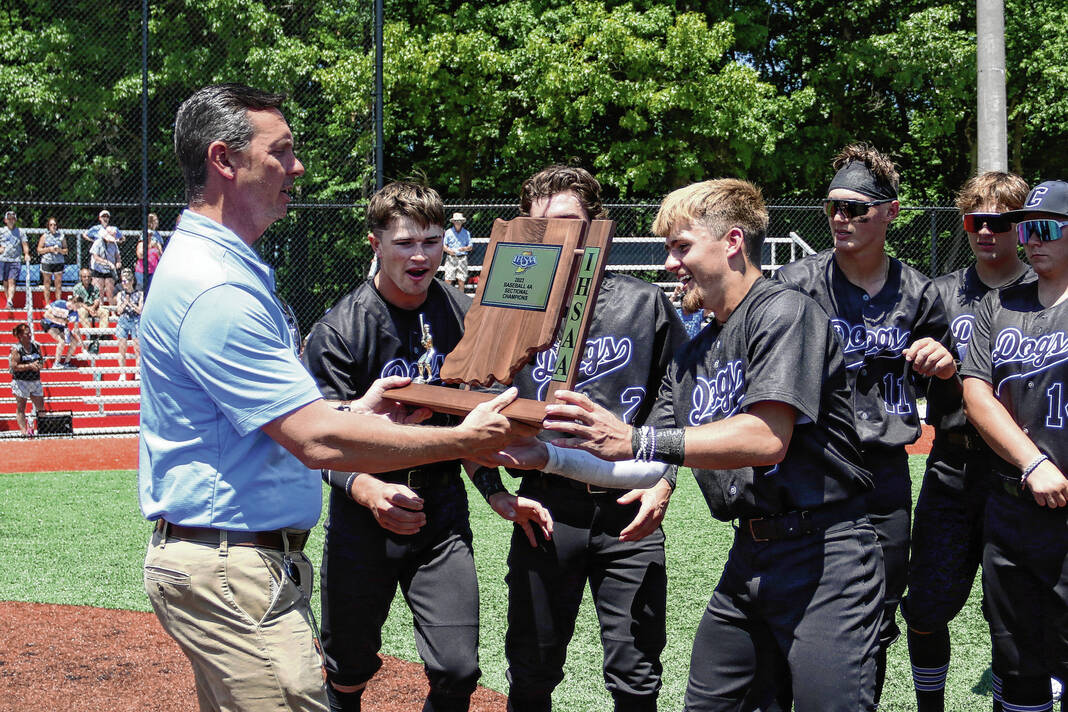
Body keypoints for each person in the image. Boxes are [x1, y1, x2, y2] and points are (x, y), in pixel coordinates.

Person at [139, 83, 529, 712]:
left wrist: (353, 411)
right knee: (332, 679)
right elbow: (315, 440)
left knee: (451, 668)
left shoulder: (221, 271)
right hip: (233, 564)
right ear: (224, 160)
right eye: (281, 151)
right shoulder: (219, 288)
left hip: (238, 557)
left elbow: (289, 421)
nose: (297, 167)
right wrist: (462, 440)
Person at [533, 178, 885, 711]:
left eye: (682, 247)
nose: (670, 263)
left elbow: (766, 438)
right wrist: (547, 455)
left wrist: (635, 437)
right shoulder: (693, 351)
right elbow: (645, 460)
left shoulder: (783, 313)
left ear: (733, 241)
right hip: (750, 556)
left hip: (826, 556)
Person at [302, 181, 552, 712]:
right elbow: (320, 441)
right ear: (375, 243)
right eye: (405, 242)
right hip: (364, 515)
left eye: (432, 241)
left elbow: (469, 424)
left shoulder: (466, 317)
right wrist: (368, 490)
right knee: (347, 667)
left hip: (440, 512)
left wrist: (495, 492)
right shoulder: (340, 330)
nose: (420, 256)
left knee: (458, 670)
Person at [478, 165, 689, 712]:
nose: (560, 236)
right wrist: (492, 488)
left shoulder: (643, 303)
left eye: (571, 221)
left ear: (597, 225)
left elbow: (676, 396)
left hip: (629, 507)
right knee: (532, 669)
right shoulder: (511, 308)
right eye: (544, 224)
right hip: (547, 506)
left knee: (636, 675)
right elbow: (475, 402)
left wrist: (664, 479)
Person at [773, 143, 957, 703]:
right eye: (833, 207)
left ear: (890, 212)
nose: (841, 218)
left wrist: (943, 363)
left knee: (877, 615)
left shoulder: (921, 292)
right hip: (810, 468)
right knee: (796, 603)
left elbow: (948, 384)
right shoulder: (796, 282)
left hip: (883, 477)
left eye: (855, 208)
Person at [901, 172, 1032, 711]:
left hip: (1021, 472)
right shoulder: (939, 293)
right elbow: (903, 375)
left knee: (1012, 615)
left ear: (1021, 227)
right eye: (976, 220)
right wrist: (924, 362)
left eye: (999, 222)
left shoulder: (1046, 289)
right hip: (952, 465)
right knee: (925, 608)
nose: (985, 232)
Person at [961, 179, 1068, 712]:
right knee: (1017, 660)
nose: (1033, 240)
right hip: (1013, 506)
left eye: (1046, 227)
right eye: (1026, 229)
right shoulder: (999, 305)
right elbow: (976, 392)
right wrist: (1032, 461)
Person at [9, 323, 45, 437]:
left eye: (30, 333)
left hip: (35, 380)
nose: (29, 335)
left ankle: (43, 429)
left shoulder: (36, 346)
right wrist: (29, 366)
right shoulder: (17, 349)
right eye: (26, 334)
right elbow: (14, 366)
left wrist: (39, 365)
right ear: (20, 336)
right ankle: (24, 431)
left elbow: (41, 360)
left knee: (41, 407)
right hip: (21, 381)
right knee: (21, 407)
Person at [41, 294, 87, 368]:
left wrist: (83, 345)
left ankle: (67, 362)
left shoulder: (74, 313)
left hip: (61, 326)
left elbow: (76, 330)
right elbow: (46, 315)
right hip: (49, 324)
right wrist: (60, 320)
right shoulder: (60, 303)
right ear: (73, 302)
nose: (78, 308)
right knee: (62, 341)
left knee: (74, 342)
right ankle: (56, 363)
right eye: (78, 306)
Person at [114, 268, 142, 381]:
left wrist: (130, 303)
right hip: (123, 320)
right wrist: (125, 302)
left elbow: (139, 310)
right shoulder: (120, 294)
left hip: (135, 320)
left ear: (131, 281)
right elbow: (118, 311)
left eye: (125, 281)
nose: (123, 284)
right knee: (122, 348)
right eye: (122, 281)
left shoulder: (139, 294)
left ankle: (137, 372)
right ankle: (122, 373)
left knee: (137, 349)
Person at [1, 210, 29, 312]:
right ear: (5, 220)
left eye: (13, 219)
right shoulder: (1, 231)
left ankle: (9, 300)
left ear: (15, 220)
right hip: (3, 259)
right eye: (9, 219)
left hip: (15, 259)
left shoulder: (20, 232)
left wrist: (26, 254)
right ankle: (9, 301)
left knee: (11, 280)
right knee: (5, 281)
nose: (11, 220)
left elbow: (25, 244)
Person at [37, 217, 68, 305]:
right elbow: (39, 249)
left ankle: (58, 303)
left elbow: (66, 250)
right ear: (48, 226)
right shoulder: (45, 236)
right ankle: (47, 304)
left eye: (55, 225)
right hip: (47, 262)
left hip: (58, 262)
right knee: (47, 283)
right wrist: (49, 249)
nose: (53, 226)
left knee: (58, 284)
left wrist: (60, 250)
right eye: (51, 225)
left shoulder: (61, 236)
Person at [89, 224, 121, 306]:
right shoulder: (98, 242)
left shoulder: (114, 244)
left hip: (109, 270)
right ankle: (100, 309)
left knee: (110, 290)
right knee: (99, 291)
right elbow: (96, 257)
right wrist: (108, 263)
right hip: (98, 269)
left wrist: (118, 262)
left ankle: (112, 310)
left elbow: (117, 255)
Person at [443, 211, 472, 291]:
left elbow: (470, 246)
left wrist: (464, 249)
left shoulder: (466, 233)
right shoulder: (448, 232)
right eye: (456, 221)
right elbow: (443, 246)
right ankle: (447, 297)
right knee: (448, 280)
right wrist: (449, 251)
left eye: (459, 221)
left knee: (461, 281)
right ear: (453, 222)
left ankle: (460, 297)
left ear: (462, 222)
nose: (458, 222)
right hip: (451, 258)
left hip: (462, 258)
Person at [135, 212, 164, 290]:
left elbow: (160, 252)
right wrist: (150, 245)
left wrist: (157, 247)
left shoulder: (157, 234)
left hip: (154, 269)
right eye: (154, 220)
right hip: (142, 269)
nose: (157, 222)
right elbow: (140, 253)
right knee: (142, 290)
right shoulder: (145, 233)